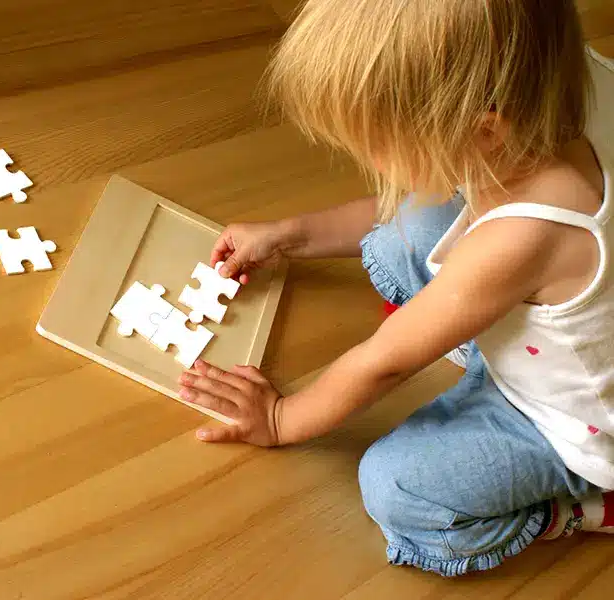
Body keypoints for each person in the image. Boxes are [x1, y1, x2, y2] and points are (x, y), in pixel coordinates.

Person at [177, 0, 614, 576]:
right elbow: (415, 208)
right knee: (399, 235)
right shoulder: (555, 87)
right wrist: (291, 235)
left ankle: (581, 506)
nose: (368, 164)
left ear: (484, 130)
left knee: (396, 486)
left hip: (569, 418)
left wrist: (281, 419)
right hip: (553, 309)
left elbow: (384, 362)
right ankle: (472, 333)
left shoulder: (527, 235)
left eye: (377, 149)